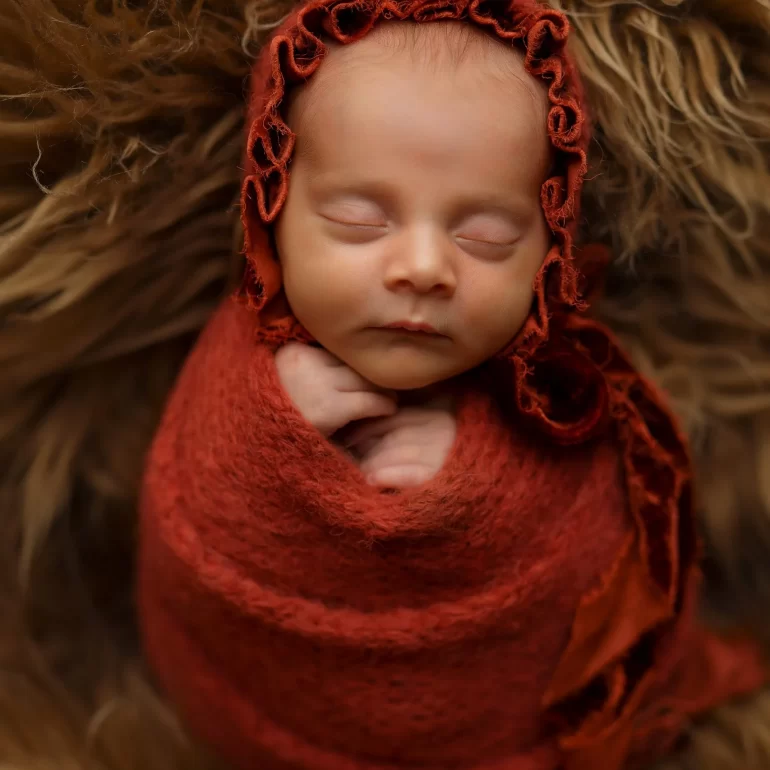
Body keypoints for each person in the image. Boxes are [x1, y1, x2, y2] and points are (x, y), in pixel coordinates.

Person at [137, 1, 767, 769]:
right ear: (271, 211)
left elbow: (592, 547)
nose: (425, 268)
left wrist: (478, 484)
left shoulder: (559, 393)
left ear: (550, 249)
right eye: (360, 220)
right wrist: (265, 428)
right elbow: (184, 525)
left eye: (485, 237)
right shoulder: (241, 356)